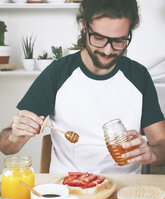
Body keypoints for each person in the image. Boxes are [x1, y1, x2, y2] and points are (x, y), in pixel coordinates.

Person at [0, 0, 165, 174]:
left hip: (127, 192)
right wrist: (15, 136)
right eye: (99, 38)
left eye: (119, 41)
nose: (108, 50)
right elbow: (6, 147)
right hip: (70, 189)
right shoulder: (58, 73)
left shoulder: (138, 76)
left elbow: (162, 146)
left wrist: (152, 154)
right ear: (84, 26)